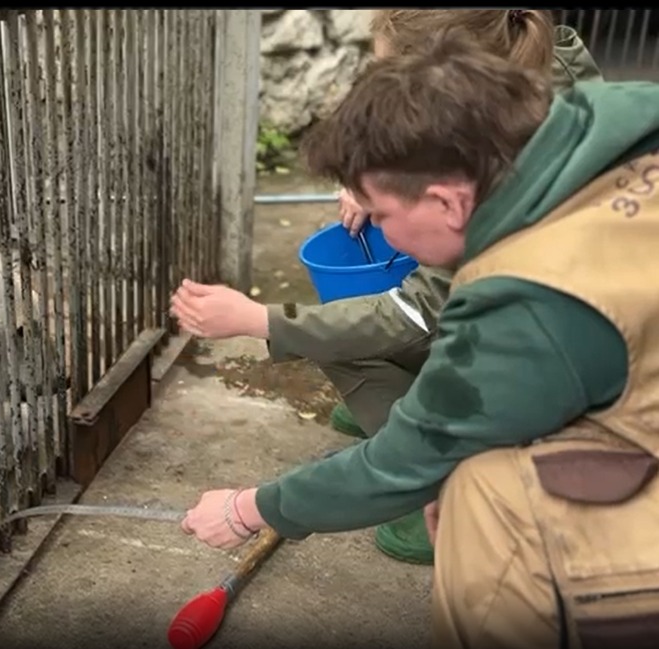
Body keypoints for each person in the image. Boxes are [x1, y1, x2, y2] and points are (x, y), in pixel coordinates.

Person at [179, 26, 659, 649]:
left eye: (382, 216)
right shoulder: (614, 117)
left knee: (484, 503)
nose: (384, 235)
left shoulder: (529, 301)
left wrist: (252, 508)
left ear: (448, 202)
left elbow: (406, 459)